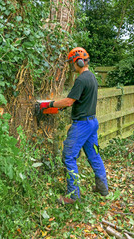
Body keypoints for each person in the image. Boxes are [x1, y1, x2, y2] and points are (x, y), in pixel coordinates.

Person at [40, 47, 108, 204]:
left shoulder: (81, 79)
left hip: (82, 125)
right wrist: (62, 104)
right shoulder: (92, 77)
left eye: (73, 62)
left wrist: (49, 104)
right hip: (92, 122)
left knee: (69, 157)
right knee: (94, 155)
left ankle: (73, 196)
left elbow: (69, 101)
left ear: (79, 61)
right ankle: (102, 188)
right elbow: (79, 99)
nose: (72, 66)